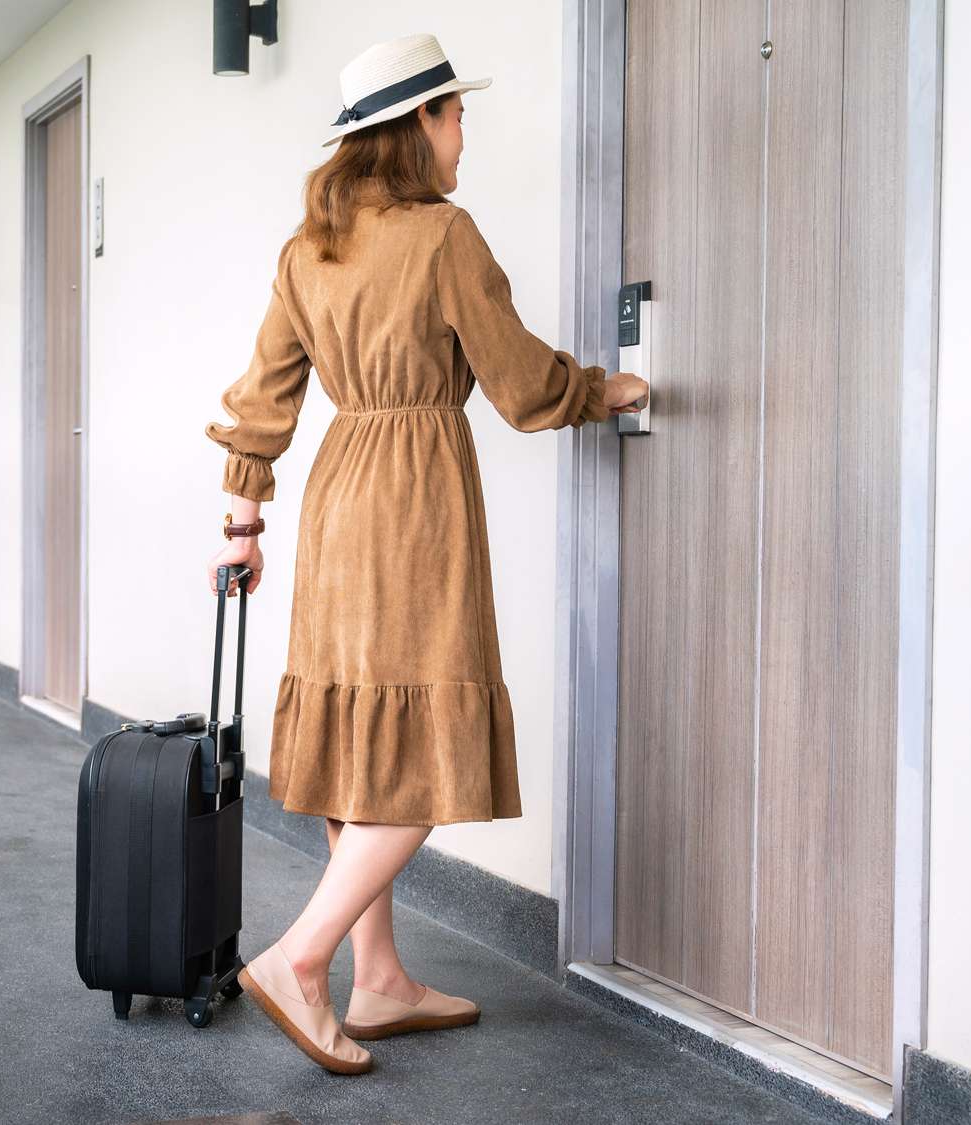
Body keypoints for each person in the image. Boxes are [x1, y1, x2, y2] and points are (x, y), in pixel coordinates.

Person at [205, 34, 648, 1075]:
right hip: (416, 502)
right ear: (416, 128)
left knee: (363, 733)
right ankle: (303, 961)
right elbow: (523, 384)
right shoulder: (443, 237)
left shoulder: (306, 248)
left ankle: (383, 979)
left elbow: (261, 402)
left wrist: (243, 525)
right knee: (418, 753)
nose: (464, 133)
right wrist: (605, 389)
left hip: (337, 497)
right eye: (454, 114)